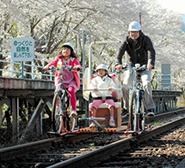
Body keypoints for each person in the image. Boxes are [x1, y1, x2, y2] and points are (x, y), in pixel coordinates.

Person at [115, 21, 156, 117]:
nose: (134, 34)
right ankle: (126, 108)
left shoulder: (146, 39)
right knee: (125, 86)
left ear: (139, 31)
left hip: (144, 66)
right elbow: (119, 52)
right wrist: (118, 63)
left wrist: (150, 63)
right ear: (129, 32)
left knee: (146, 83)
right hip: (131, 66)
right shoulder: (126, 41)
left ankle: (149, 108)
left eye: (136, 32)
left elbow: (151, 51)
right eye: (132, 32)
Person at [44, 42, 81, 117]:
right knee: (58, 91)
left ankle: (73, 110)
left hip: (71, 80)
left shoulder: (73, 59)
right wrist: (47, 66)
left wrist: (76, 67)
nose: (65, 51)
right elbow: (53, 63)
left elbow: (78, 65)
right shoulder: (59, 59)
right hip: (61, 79)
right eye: (64, 49)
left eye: (67, 49)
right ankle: (58, 108)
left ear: (71, 51)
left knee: (71, 91)